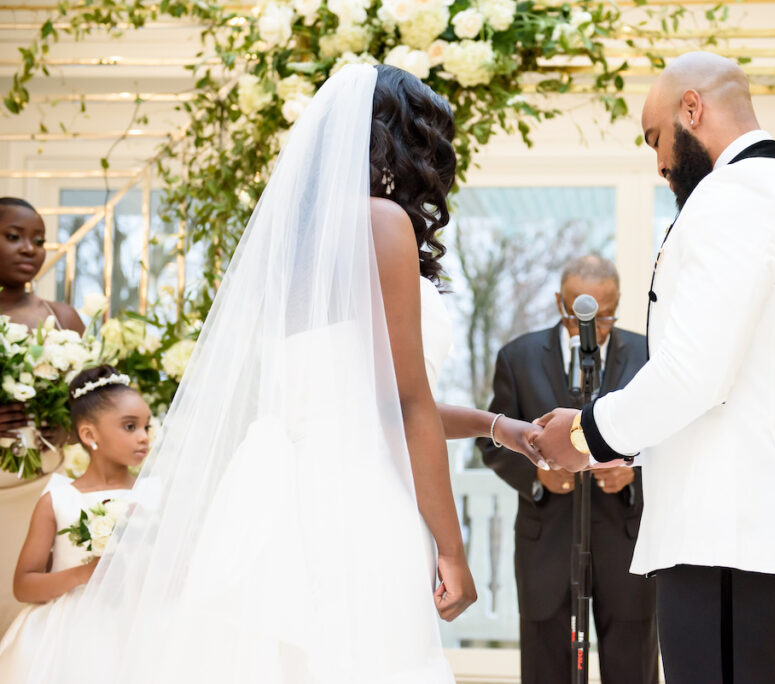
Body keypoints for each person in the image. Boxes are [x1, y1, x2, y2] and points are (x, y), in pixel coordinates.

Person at [29, 64, 541, 684]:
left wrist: (498, 426)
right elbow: (403, 405)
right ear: (407, 142)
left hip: (278, 498)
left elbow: (357, 395)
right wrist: (452, 551)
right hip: (358, 495)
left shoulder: (296, 249)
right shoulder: (382, 223)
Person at [532, 51, 775, 684]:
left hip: (729, 535)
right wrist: (636, 451)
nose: (659, 165)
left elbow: (692, 373)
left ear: (692, 109)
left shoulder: (730, 198)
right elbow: (749, 383)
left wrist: (582, 437)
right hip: (770, 530)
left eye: (655, 139)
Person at [480, 255, 657, 684]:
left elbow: (672, 441)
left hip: (626, 541)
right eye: (580, 313)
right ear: (561, 302)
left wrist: (636, 473)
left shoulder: (650, 355)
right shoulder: (517, 357)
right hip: (548, 542)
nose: (592, 327)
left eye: (606, 315)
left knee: (634, 669)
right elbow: (491, 440)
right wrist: (536, 478)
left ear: (617, 304)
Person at [0, 365, 151, 681]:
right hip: (70, 637)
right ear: (89, 435)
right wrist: (87, 572)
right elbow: (24, 585)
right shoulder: (58, 499)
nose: (143, 437)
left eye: (147, 427)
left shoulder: (155, 495)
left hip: (142, 626)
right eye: (129, 426)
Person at [0, 197, 85, 634]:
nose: (29, 248)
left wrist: (64, 427)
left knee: (27, 610)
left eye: (38, 240)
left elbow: (90, 406)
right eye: (13, 236)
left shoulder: (62, 318)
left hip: (41, 482)